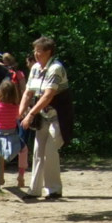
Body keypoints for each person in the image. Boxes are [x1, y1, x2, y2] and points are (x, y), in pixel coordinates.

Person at [19, 35, 69, 200]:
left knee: (50, 152)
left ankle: (54, 189)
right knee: (38, 152)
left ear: (49, 52)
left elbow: (48, 96)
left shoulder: (55, 68)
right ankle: (34, 189)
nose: (36, 54)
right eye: (35, 50)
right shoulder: (34, 69)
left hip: (58, 116)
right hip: (42, 116)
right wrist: (20, 113)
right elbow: (28, 92)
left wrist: (30, 114)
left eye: (39, 51)